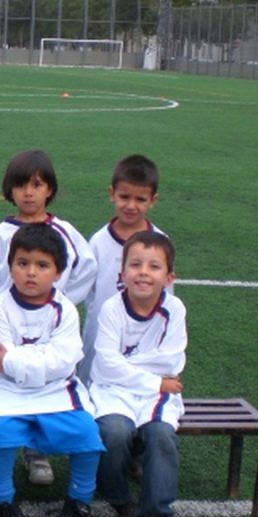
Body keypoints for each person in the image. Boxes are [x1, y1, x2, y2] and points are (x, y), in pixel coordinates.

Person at [0, 149, 97, 487]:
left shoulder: (64, 231)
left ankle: (37, 451)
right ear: (9, 190)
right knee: (6, 376)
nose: (28, 193)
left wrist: (61, 300)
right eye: (20, 185)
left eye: (37, 185)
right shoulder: (2, 233)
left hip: (48, 326)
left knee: (48, 378)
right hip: (9, 323)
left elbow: (86, 268)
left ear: (49, 189)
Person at [0, 225, 104, 517]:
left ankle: (78, 503)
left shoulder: (65, 310)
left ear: (58, 272)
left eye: (42, 265)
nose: (31, 272)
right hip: (6, 390)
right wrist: (40, 358)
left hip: (56, 390)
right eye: (23, 263)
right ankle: (4, 503)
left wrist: (15, 360)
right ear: (10, 267)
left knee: (87, 433)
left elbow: (64, 361)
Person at [90, 231, 187, 517]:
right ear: (122, 273)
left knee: (161, 436)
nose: (143, 272)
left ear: (169, 277)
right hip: (117, 390)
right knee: (113, 432)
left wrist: (129, 366)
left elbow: (170, 361)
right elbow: (106, 364)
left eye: (154, 266)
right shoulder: (111, 308)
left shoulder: (174, 309)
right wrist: (153, 378)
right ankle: (118, 497)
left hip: (156, 394)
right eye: (135, 264)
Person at [79, 154, 166, 384]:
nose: (131, 206)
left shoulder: (160, 243)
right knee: (92, 384)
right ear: (112, 194)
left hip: (144, 333)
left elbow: (166, 296)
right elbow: (87, 291)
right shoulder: (98, 242)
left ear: (153, 200)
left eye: (140, 199)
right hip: (101, 331)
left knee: (141, 384)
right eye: (124, 197)